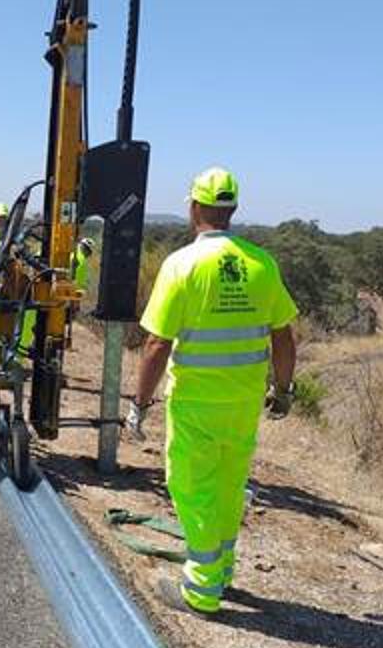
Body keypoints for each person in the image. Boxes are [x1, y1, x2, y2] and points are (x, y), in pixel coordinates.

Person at [126, 167, 298, 616]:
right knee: (227, 486)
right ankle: (221, 571)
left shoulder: (182, 265)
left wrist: (139, 405)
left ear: (195, 206)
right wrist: (283, 391)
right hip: (243, 404)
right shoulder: (263, 263)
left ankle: (201, 591)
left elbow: (157, 343)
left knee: (192, 488)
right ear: (233, 208)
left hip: (196, 403)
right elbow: (283, 336)